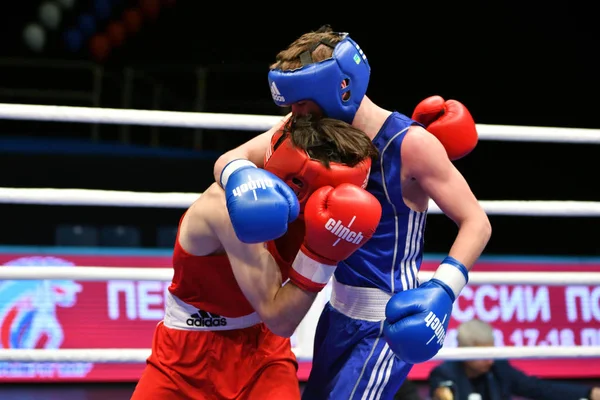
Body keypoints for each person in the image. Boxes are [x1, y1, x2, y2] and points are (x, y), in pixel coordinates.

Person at [213, 25, 492, 399]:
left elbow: (476, 221)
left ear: (339, 89)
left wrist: (443, 288)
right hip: (336, 315)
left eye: (301, 103)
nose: (295, 114)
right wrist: (241, 178)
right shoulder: (308, 128)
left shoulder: (410, 145)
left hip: (385, 324)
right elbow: (228, 159)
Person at [130, 115, 382, 400]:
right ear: (300, 182)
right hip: (185, 356)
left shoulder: (307, 178)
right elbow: (280, 318)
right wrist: (323, 256)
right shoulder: (226, 208)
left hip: (265, 352)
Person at [429, 319, 600, 400]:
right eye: (482, 355)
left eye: (492, 352)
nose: (490, 360)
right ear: (463, 351)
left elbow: (538, 388)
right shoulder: (444, 374)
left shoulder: (499, 369)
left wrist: (588, 393)